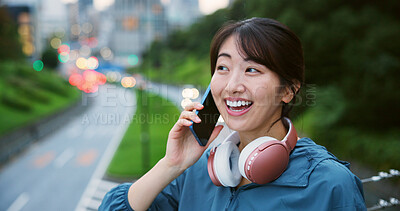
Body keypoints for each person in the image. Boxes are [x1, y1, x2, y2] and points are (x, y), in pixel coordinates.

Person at [99, 17, 366, 211]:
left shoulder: (329, 184)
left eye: (252, 70)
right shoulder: (200, 169)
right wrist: (172, 164)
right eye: (223, 67)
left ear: (288, 90)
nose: (231, 86)